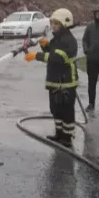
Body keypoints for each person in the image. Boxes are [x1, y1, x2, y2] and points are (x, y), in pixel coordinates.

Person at [24, 8, 79, 148]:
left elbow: (59, 57)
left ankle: (67, 138)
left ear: (65, 24)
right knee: (56, 109)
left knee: (66, 111)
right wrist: (45, 45)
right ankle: (59, 134)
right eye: (52, 22)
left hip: (65, 82)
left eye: (56, 23)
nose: (53, 26)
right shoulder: (58, 38)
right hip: (55, 81)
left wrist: (36, 56)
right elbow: (52, 51)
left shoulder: (68, 40)